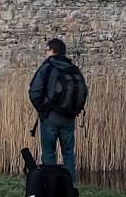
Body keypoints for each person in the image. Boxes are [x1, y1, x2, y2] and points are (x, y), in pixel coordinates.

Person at [28, 38, 85, 175]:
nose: (45, 53)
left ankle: (52, 185)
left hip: (50, 117)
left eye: (47, 50)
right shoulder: (73, 69)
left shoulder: (47, 67)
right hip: (69, 117)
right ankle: (70, 187)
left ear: (52, 51)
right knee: (68, 153)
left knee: (48, 153)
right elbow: (82, 91)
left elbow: (34, 91)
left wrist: (42, 109)